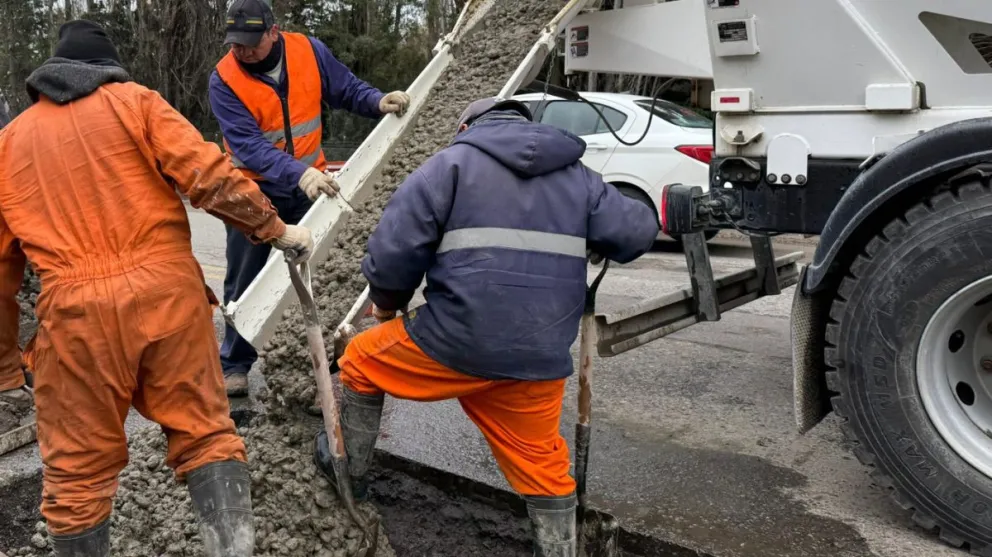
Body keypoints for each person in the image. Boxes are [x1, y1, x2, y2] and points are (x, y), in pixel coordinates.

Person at [0, 20, 314, 557]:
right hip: (170, 298)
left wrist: (7, 365)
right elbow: (207, 175)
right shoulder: (135, 102)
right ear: (108, 70)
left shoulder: (9, 143)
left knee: (77, 474)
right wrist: (275, 228)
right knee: (207, 435)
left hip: (77, 320)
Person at [313, 97, 660, 556]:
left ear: (465, 126)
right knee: (542, 463)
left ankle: (350, 476)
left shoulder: (448, 167)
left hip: (454, 342)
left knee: (359, 360)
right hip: (539, 353)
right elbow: (636, 233)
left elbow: (394, 254)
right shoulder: (579, 177)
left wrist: (386, 307)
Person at [209, 0, 412, 399]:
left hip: (309, 184)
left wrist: (376, 101)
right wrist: (298, 173)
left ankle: (316, 370)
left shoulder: (308, 50)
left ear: (273, 31)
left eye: (251, 43)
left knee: (317, 276)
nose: (242, 51)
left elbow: (346, 88)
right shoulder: (224, 79)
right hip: (253, 189)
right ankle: (234, 364)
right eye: (236, 44)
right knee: (244, 282)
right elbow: (248, 146)